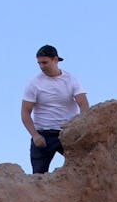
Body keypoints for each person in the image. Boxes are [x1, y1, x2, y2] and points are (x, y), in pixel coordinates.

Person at [21, 45, 89, 174]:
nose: (42, 66)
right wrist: (35, 135)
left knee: (83, 167)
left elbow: (83, 104)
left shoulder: (71, 80)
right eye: (39, 63)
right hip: (44, 134)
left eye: (45, 62)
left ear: (55, 60)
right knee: (38, 175)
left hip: (67, 132)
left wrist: (80, 128)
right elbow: (25, 112)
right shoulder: (34, 83)